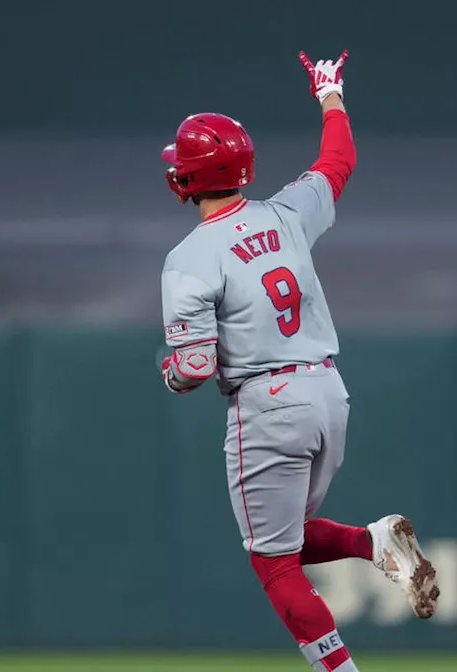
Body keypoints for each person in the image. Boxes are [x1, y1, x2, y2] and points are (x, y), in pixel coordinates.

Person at [157, 51, 439, 672]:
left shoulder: (189, 256)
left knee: (273, 563)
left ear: (186, 179)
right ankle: (372, 541)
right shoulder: (286, 212)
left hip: (267, 403)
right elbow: (338, 161)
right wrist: (330, 93)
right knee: (287, 537)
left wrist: (173, 373)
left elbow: (197, 366)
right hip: (328, 393)